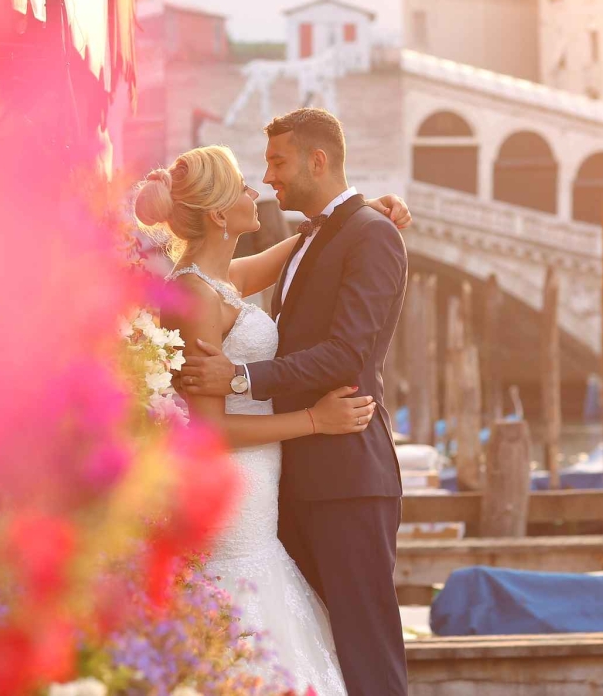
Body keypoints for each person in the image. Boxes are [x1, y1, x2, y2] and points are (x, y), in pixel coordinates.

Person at [132, 140, 410, 696]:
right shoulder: (195, 296)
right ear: (218, 214)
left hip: (264, 479)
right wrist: (314, 420)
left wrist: (358, 212)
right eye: (240, 186)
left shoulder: (222, 280)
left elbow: (303, 247)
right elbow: (209, 432)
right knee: (248, 598)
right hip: (236, 482)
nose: (254, 189)